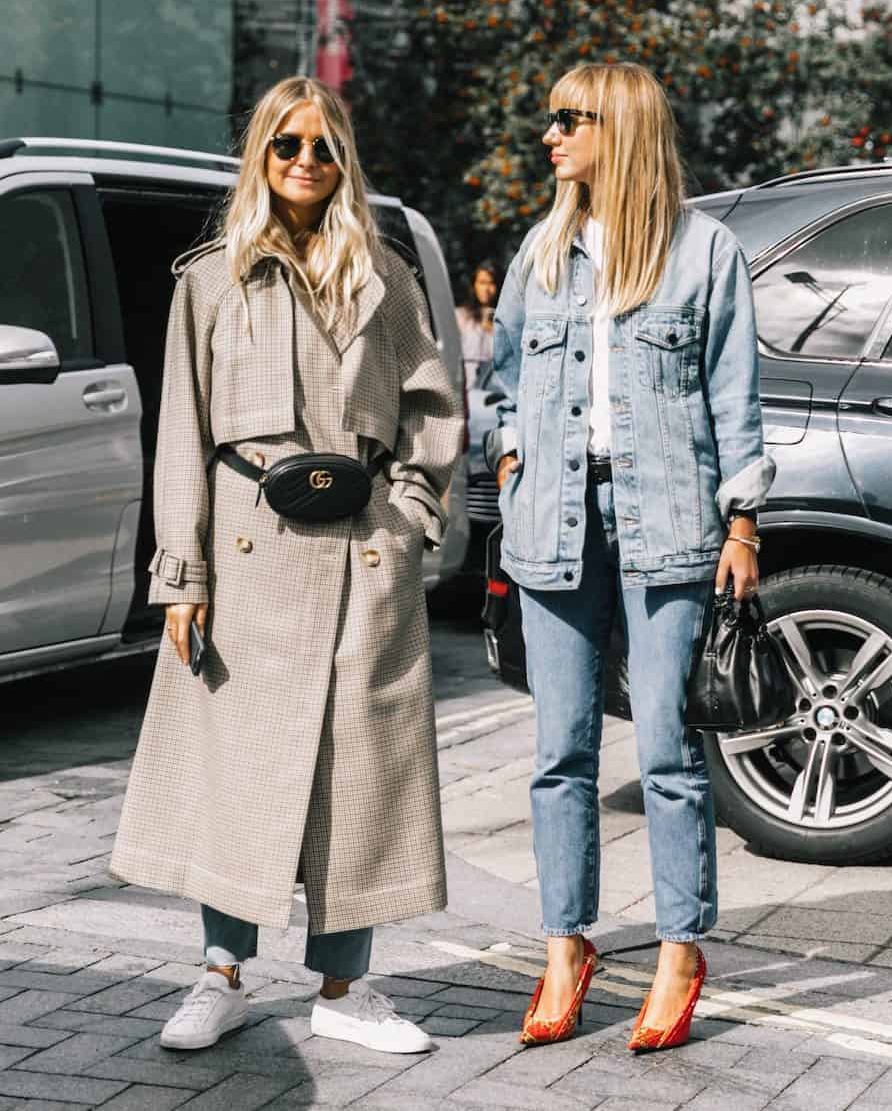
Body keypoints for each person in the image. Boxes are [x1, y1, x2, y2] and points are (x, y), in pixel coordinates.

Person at [110, 76, 463, 1055]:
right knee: (237, 775)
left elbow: (436, 413)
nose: (307, 162)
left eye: (324, 148)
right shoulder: (211, 280)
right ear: (262, 157)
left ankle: (346, 991)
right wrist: (181, 575)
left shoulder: (383, 276)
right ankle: (219, 978)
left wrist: (412, 519)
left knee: (362, 778)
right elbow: (179, 434)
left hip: (363, 558)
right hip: (247, 553)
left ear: (342, 162)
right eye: (288, 146)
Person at [485, 62, 774, 1052]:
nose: (550, 135)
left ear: (624, 126)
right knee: (559, 753)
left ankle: (680, 947)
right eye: (550, 116)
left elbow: (734, 398)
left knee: (666, 750)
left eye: (569, 119)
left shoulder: (704, 253)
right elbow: (499, 377)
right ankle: (567, 944)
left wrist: (744, 523)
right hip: (553, 517)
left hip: (671, 519)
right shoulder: (543, 248)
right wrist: (509, 447)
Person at [456, 260, 502, 391]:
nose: (486, 289)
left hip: (494, 392)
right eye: (482, 283)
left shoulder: (505, 320)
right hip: (465, 389)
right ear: (474, 285)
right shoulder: (460, 316)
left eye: (491, 283)